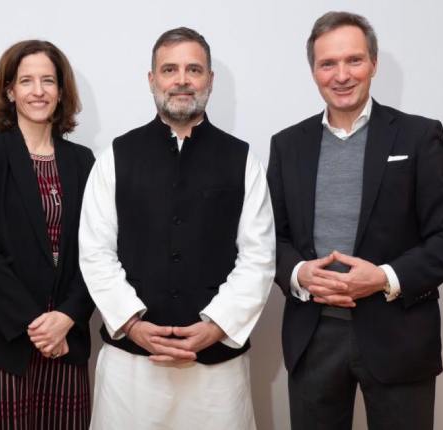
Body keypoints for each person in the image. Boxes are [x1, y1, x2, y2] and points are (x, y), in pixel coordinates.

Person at [267, 11, 443, 430]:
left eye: (354, 60)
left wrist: (384, 277)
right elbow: (270, 238)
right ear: (314, 71)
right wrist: (299, 273)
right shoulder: (287, 144)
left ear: (374, 64)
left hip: (399, 337)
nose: (342, 75)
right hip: (313, 337)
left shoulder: (418, 136)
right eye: (328, 64)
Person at [79, 27, 275, 429]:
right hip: (131, 370)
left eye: (193, 69)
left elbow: (258, 257)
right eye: (170, 69)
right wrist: (132, 325)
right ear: (152, 79)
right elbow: (96, 251)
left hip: (217, 374)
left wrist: (215, 327)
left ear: (210, 80)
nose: (182, 80)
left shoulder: (242, 160)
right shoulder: (115, 156)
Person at [0, 40, 95, 430]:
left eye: (48, 81)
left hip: (65, 338)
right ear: (9, 91)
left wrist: (66, 317)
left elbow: (96, 250)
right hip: (5, 337)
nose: (38, 91)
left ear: (61, 91)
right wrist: (37, 325)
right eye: (26, 81)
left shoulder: (83, 161)